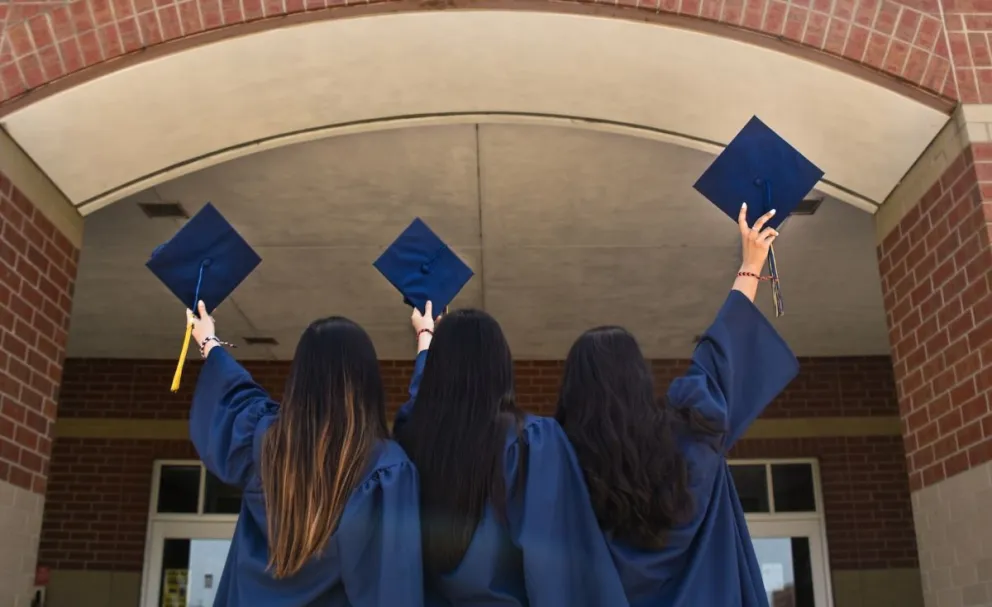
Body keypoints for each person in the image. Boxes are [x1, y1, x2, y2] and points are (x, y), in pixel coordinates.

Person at [555, 203, 800, 607]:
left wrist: (428, 341)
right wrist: (751, 262)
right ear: (639, 378)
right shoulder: (692, 434)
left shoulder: (558, 466)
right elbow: (722, 353)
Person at [394, 303, 630, 607]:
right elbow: (557, 573)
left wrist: (426, 340)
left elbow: (418, 404)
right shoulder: (530, 443)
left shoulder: (410, 443)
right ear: (501, 367)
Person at [187, 305, 424, 607]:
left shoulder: (262, 441)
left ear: (300, 377)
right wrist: (425, 340)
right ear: (367, 380)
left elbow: (235, 394)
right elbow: (392, 589)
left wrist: (209, 341)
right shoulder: (385, 468)